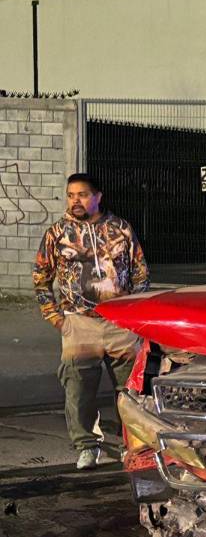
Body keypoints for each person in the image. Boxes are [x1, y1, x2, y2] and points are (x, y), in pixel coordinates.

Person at [32, 173, 150, 470]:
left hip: (120, 324)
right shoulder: (57, 233)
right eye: (71, 195)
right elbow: (41, 278)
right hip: (78, 324)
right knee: (78, 390)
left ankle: (131, 446)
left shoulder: (120, 228)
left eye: (83, 195)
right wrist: (55, 317)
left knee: (130, 392)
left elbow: (140, 272)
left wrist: (134, 314)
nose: (76, 201)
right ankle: (87, 446)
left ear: (98, 197)